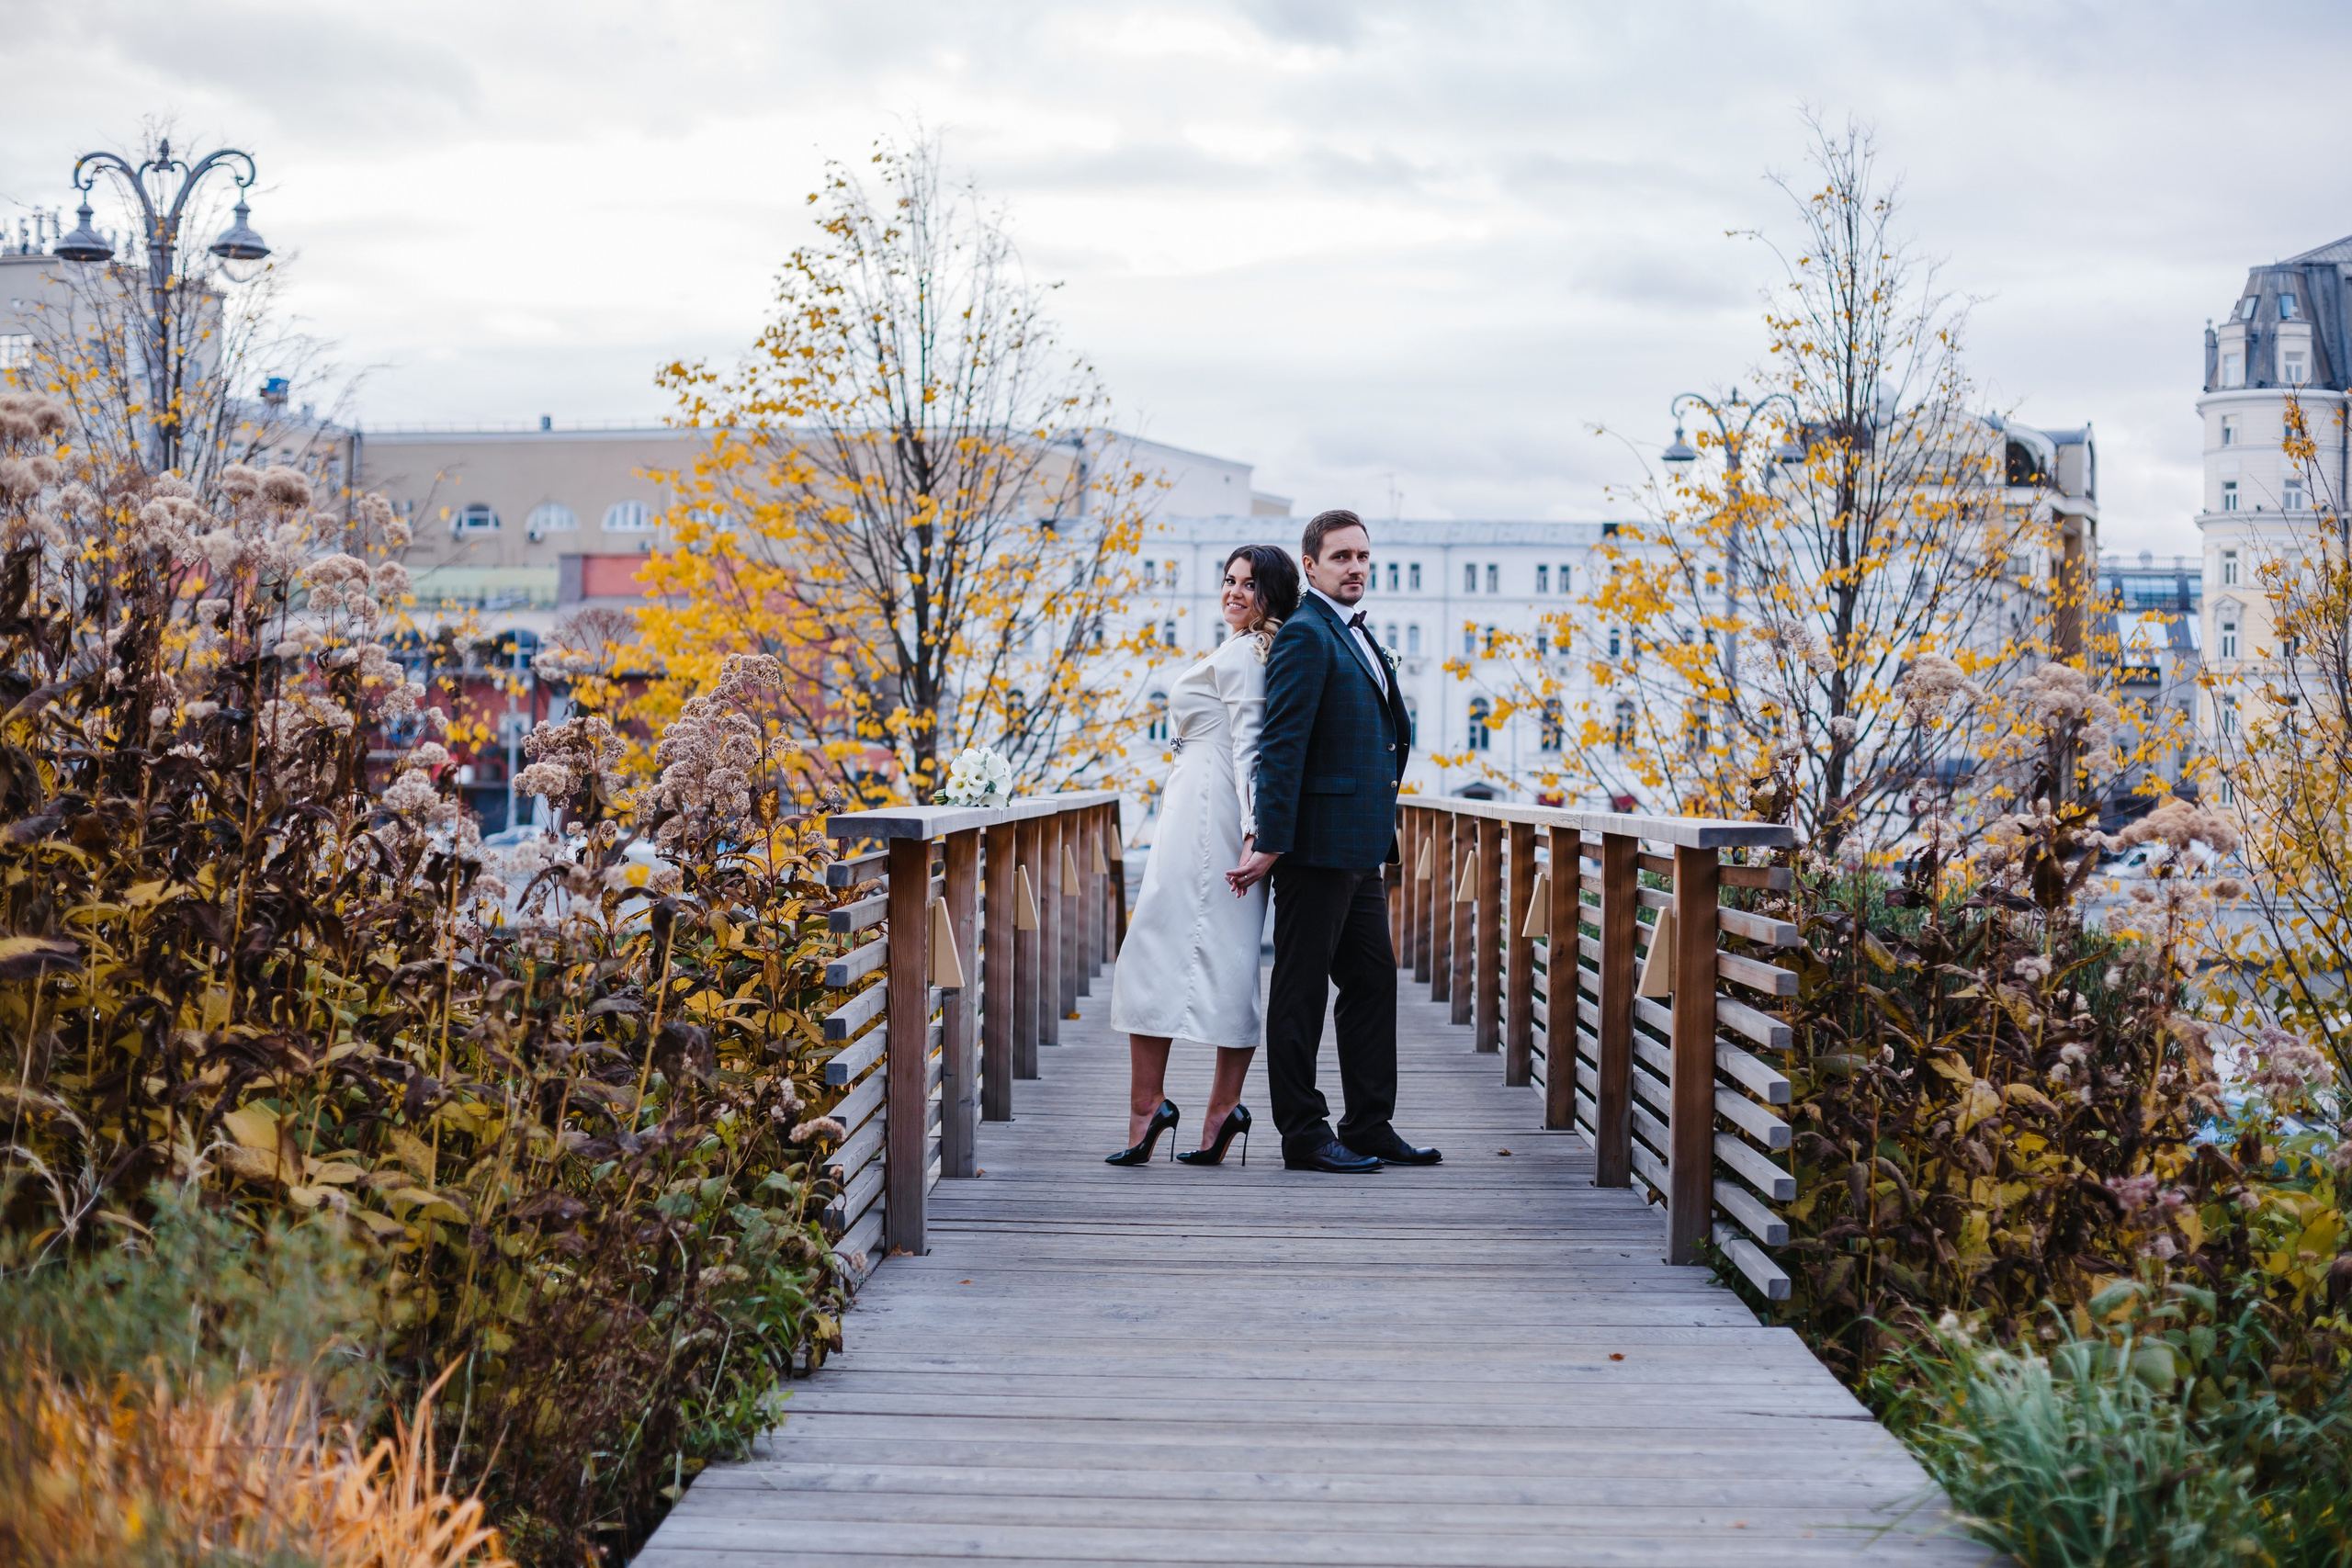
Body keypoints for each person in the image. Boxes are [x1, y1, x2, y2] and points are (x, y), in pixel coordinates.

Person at [1227, 510, 1440, 1173]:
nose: (1355, 567)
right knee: (1300, 991)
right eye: (1341, 556)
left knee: (1373, 981)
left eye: (1362, 557)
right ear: (1311, 564)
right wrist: (1272, 840)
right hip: (1314, 846)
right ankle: (1303, 1133)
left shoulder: (1357, 634)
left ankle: (1370, 1123)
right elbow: (1281, 747)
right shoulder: (1305, 635)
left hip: (1362, 844)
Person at [1102, 545, 1302, 1168]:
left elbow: (1251, 743)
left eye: (1251, 584)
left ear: (1273, 595)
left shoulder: (1246, 654)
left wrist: (1253, 831)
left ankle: (1178, 1108)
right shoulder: (1239, 647)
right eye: (1229, 580)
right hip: (1193, 804)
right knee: (1192, 948)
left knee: (1208, 949)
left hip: (1213, 811)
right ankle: (1195, 1108)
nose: (1235, 592)